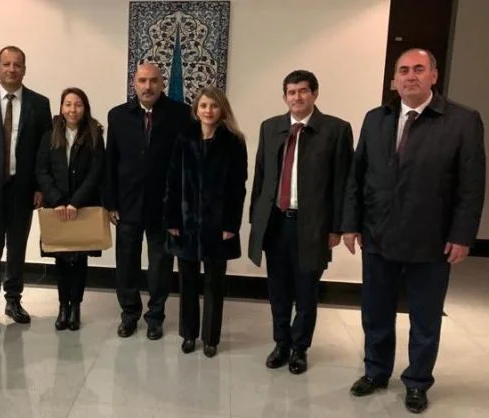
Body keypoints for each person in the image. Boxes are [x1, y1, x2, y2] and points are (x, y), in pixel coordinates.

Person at [342, 48, 485, 414]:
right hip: (378, 234)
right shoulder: (376, 119)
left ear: (434, 76)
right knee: (375, 312)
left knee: (424, 317)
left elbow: (471, 186)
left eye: (419, 69)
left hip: (431, 240)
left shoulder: (462, 121)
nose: (410, 76)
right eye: (403, 70)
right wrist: (351, 224)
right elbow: (357, 176)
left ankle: (418, 381)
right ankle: (376, 372)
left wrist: (462, 235)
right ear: (395, 79)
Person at [248, 70, 354, 374]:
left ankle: (299, 348)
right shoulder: (270, 127)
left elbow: (343, 182)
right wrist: (256, 219)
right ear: (285, 97)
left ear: (315, 94)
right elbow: (261, 176)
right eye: (291, 92)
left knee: (306, 292)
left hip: (313, 226)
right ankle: (281, 343)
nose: (297, 97)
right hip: (276, 223)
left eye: (303, 91)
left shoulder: (336, 130)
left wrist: (337, 227)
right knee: (278, 290)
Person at [0, 45, 52, 334]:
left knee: (17, 249)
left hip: (22, 189)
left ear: (24, 69)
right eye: (6, 64)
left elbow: (44, 150)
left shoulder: (39, 103)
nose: (12, 69)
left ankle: (13, 301)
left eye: (17, 64)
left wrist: (40, 186)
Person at [104, 63, 191, 340]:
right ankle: (129, 314)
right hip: (127, 203)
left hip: (164, 204)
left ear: (162, 83)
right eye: (142, 81)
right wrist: (110, 202)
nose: (148, 86)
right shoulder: (118, 115)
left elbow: (186, 162)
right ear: (134, 83)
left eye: (153, 81)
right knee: (126, 263)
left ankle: (155, 316)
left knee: (160, 265)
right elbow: (110, 161)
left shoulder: (181, 114)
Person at [164, 86, 247, 358]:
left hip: (218, 224)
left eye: (214, 105)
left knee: (214, 284)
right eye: (203, 105)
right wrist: (172, 218)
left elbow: (238, 187)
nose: (208, 110)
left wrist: (231, 225)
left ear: (222, 110)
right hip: (186, 223)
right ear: (196, 109)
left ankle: (211, 338)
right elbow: (172, 181)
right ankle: (189, 334)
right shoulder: (183, 138)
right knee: (187, 282)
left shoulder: (234, 142)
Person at [35, 87, 105, 331]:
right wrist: (57, 200)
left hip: (82, 207)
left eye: (78, 104)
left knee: (80, 260)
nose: (72, 109)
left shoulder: (94, 133)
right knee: (61, 258)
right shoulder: (50, 133)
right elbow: (41, 170)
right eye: (68, 104)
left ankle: (75, 306)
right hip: (57, 208)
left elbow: (97, 172)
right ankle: (63, 306)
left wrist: (76, 202)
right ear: (61, 107)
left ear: (85, 108)